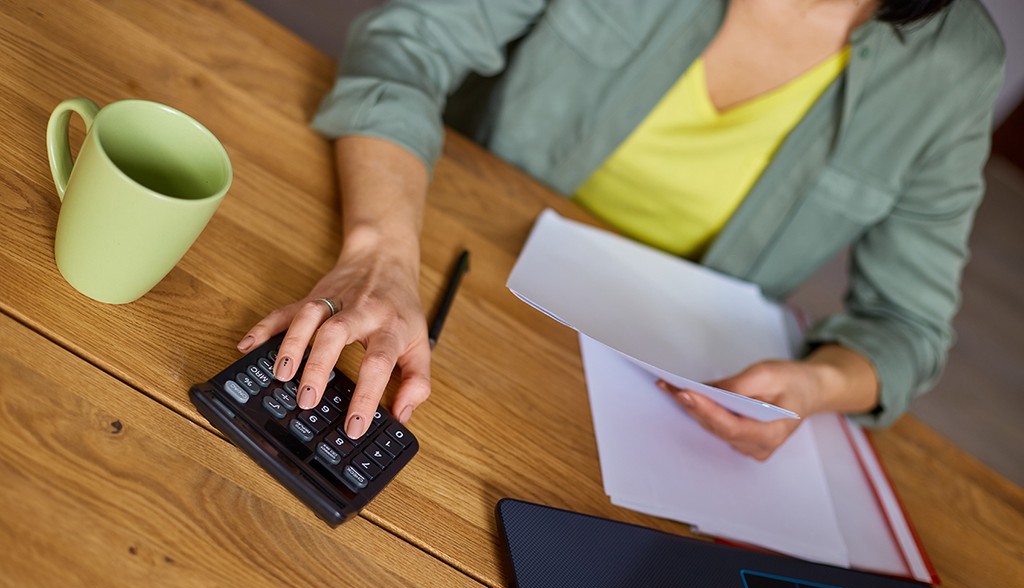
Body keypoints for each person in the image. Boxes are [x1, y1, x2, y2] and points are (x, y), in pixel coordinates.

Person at [236, 0, 1004, 460]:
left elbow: (904, 324)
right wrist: (381, 251)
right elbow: (407, 45)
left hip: (652, 392)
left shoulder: (958, 65)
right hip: (450, 267)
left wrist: (816, 384)